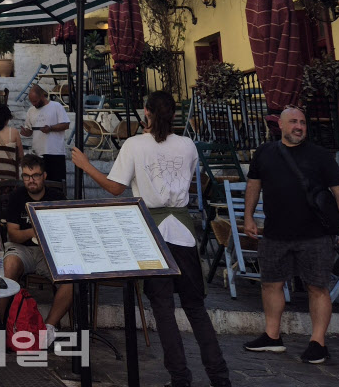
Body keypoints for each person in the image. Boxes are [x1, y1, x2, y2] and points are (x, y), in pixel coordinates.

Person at [72, 91, 231, 387]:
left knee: (163, 310)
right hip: (183, 232)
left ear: (146, 112)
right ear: (173, 114)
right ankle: (220, 377)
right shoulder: (187, 145)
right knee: (196, 309)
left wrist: (86, 165)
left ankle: (180, 378)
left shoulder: (134, 145)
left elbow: (116, 188)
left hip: (152, 232)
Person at [242, 105, 339, 364]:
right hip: (275, 233)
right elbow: (253, 185)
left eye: (303, 122)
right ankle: (272, 336)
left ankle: (318, 343)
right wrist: (249, 216)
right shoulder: (265, 152)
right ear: (281, 125)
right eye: (294, 122)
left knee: (317, 287)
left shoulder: (320, 155)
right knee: (271, 284)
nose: (299, 126)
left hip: (315, 234)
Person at [0, 154, 71, 347]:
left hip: (50, 251)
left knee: (70, 278)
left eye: (36, 175)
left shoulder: (56, 197)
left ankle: (48, 329)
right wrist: (36, 230)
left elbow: (65, 229)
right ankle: (1, 325)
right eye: (26, 176)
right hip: (22, 249)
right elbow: (13, 235)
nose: (31, 180)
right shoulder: (17, 197)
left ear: (44, 175)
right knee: (9, 265)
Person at [20, 85, 70, 183]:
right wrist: (26, 132)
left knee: (56, 184)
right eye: (32, 101)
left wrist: (50, 128)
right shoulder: (31, 111)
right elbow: (30, 130)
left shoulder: (56, 106)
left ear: (42, 96)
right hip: (38, 153)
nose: (34, 104)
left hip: (55, 152)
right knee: (39, 183)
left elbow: (66, 125)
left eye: (35, 101)